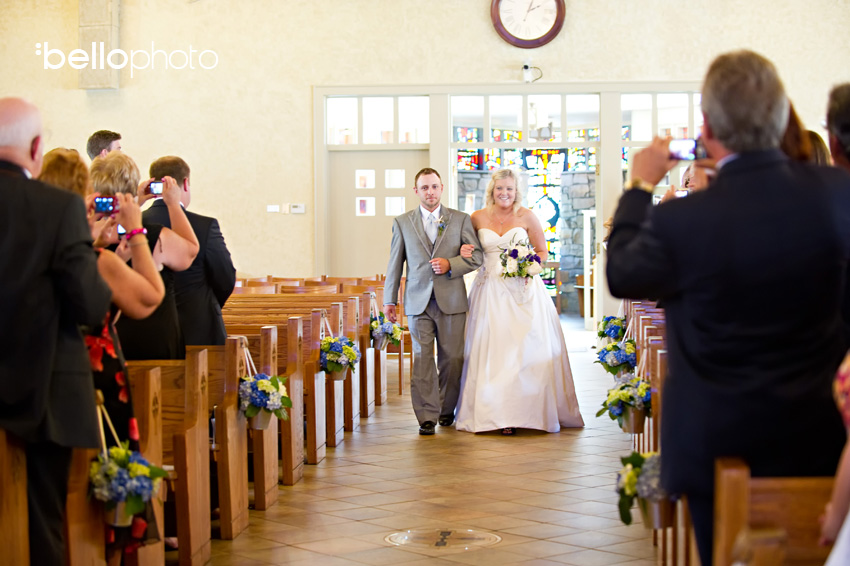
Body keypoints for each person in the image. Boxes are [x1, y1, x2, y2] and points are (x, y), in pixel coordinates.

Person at [605, 50, 850, 566]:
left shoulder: (684, 221)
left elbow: (623, 273)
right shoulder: (837, 195)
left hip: (715, 439)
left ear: (709, 128)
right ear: (780, 116)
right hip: (817, 432)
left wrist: (639, 186)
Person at [0, 97, 112, 565]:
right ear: (35, 148)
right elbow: (90, 303)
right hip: (45, 391)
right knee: (42, 525)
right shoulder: (57, 207)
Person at [40, 148, 166, 555]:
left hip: (44, 379)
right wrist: (136, 231)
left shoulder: (33, 256)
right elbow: (150, 297)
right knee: (104, 475)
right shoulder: (95, 262)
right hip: (95, 382)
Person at [454, 168, 583, 435]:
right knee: (492, 349)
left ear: (516, 191)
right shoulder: (477, 217)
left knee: (522, 348)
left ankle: (524, 412)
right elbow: (466, 249)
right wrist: (463, 249)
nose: (504, 193)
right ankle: (495, 414)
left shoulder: (527, 216)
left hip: (522, 291)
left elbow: (542, 251)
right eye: (500, 188)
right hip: (489, 291)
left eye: (509, 189)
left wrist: (527, 264)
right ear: (492, 190)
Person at [383, 167, 483, 435]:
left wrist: (451, 264)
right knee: (422, 357)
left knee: (453, 358)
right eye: (425, 187)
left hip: (451, 300)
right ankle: (426, 416)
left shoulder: (460, 220)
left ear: (441, 188)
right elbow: (394, 264)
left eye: (434, 186)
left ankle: (446, 410)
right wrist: (389, 301)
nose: (430, 192)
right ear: (416, 191)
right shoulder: (402, 222)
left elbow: (477, 257)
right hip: (418, 302)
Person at [90, 151, 199, 360]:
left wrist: (137, 202)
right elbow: (190, 252)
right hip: (152, 339)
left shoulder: (86, 234)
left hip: (108, 341)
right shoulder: (154, 236)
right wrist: (173, 204)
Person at [145, 156, 236, 346]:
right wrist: (205, 306)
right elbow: (225, 277)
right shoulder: (205, 226)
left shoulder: (133, 225)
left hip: (148, 331)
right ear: (185, 183)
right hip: (199, 330)